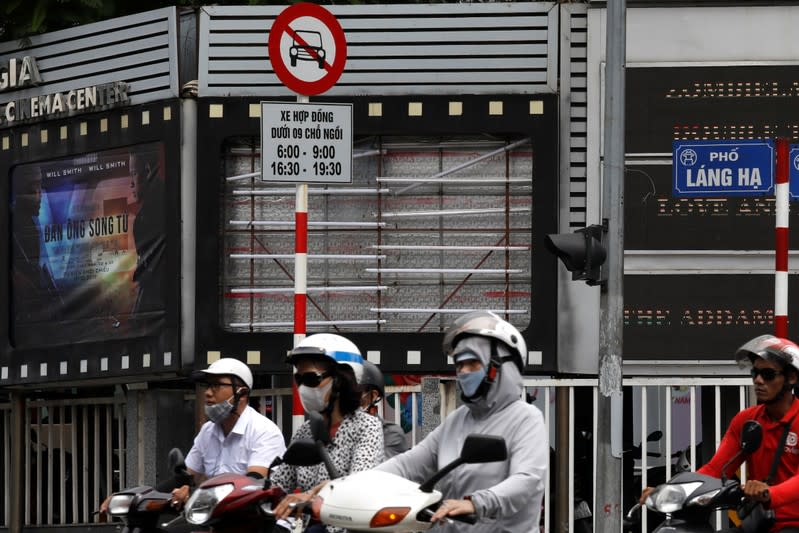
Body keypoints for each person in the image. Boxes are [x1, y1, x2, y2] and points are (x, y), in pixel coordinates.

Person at [375, 311, 548, 532]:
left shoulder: (526, 418)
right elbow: (408, 464)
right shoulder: (457, 420)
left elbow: (527, 481)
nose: (463, 372)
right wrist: (349, 484)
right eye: (459, 365)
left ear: (499, 365)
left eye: (473, 363)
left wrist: (476, 502)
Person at [640, 334, 799, 532]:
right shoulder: (746, 421)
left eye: (768, 374)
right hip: (760, 522)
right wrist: (669, 491)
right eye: (755, 373)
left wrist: (769, 493)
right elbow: (715, 469)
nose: (758, 380)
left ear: (791, 378)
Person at [100, 357, 286, 513]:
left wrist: (194, 493)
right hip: (216, 518)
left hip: (257, 520)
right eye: (207, 386)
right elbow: (185, 478)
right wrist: (136, 496)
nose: (207, 393)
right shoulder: (208, 432)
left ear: (242, 393)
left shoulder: (263, 431)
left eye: (216, 386)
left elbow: (252, 483)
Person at [272, 334, 384, 530]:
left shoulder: (367, 426)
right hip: (307, 527)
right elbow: (279, 483)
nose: (303, 387)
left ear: (342, 380)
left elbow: (357, 483)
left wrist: (311, 495)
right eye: (298, 379)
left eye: (311, 378)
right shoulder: (305, 431)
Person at [129, 147, 166, 314]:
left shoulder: (144, 220)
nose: (131, 183)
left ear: (148, 171)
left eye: (133, 174)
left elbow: (148, 277)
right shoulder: (168, 194)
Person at [359, 359, 409, 459]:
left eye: (354, 390)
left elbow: (381, 470)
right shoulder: (328, 430)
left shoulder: (390, 434)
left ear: (373, 396)